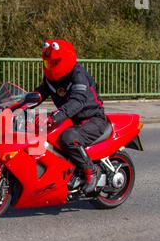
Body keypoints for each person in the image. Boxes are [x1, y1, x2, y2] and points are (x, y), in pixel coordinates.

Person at [34, 39, 107, 195]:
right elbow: (39, 94)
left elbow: (78, 101)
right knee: (37, 131)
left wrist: (56, 116)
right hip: (72, 119)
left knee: (68, 137)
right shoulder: (51, 79)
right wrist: (16, 104)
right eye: (47, 63)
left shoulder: (78, 75)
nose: (50, 66)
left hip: (93, 118)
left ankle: (91, 171)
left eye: (53, 63)